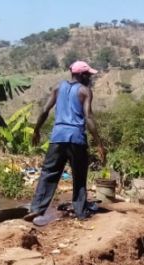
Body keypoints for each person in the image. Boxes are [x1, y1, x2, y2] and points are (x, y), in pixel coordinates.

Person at [28, 61, 107, 223]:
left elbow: (44, 110)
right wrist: (99, 143)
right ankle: (80, 211)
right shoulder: (85, 91)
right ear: (81, 75)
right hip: (76, 138)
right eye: (88, 75)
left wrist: (36, 130)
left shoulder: (58, 88)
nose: (90, 78)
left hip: (57, 137)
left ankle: (36, 209)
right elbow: (89, 117)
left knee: (48, 174)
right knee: (79, 175)